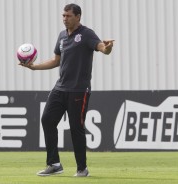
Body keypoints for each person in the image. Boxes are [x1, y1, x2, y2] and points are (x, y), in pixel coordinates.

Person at [20, 3, 114, 177]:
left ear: (78, 17)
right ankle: (54, 164)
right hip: (60, 88)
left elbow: (101, 47)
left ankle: (82, 169)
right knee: (47, 119)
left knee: (76, 127)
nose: (64, 19)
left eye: (68, 16)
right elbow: (56, 60)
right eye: (63, 15)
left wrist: (107, 48)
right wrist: (34, 67)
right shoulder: (62, 36)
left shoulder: (87, 34)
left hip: (79, 90)